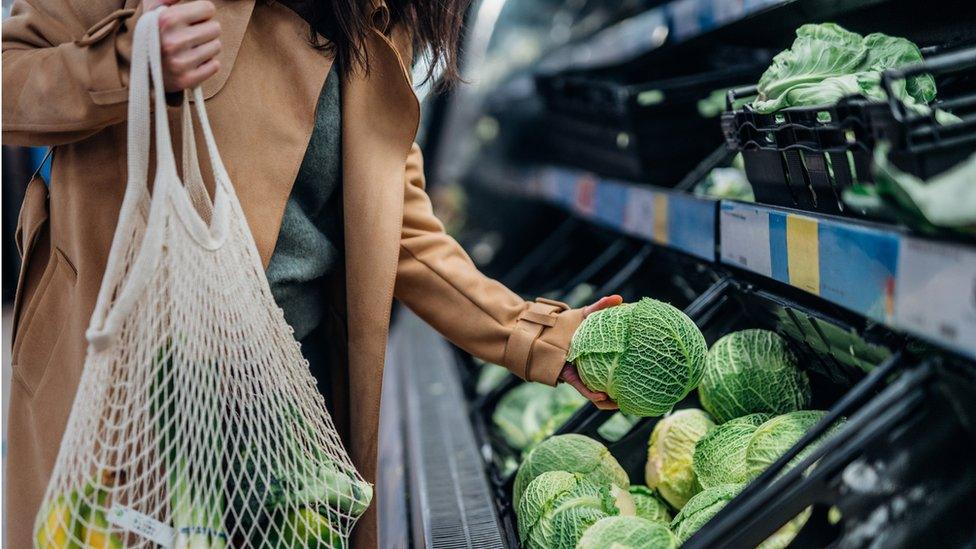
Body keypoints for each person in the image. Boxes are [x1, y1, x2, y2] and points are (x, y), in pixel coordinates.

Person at [2, 0, 621, 545]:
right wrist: (124, 60)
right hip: (136, 394)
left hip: (289, 408)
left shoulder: (377, 21)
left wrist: (540, 337)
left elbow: (402, 231)